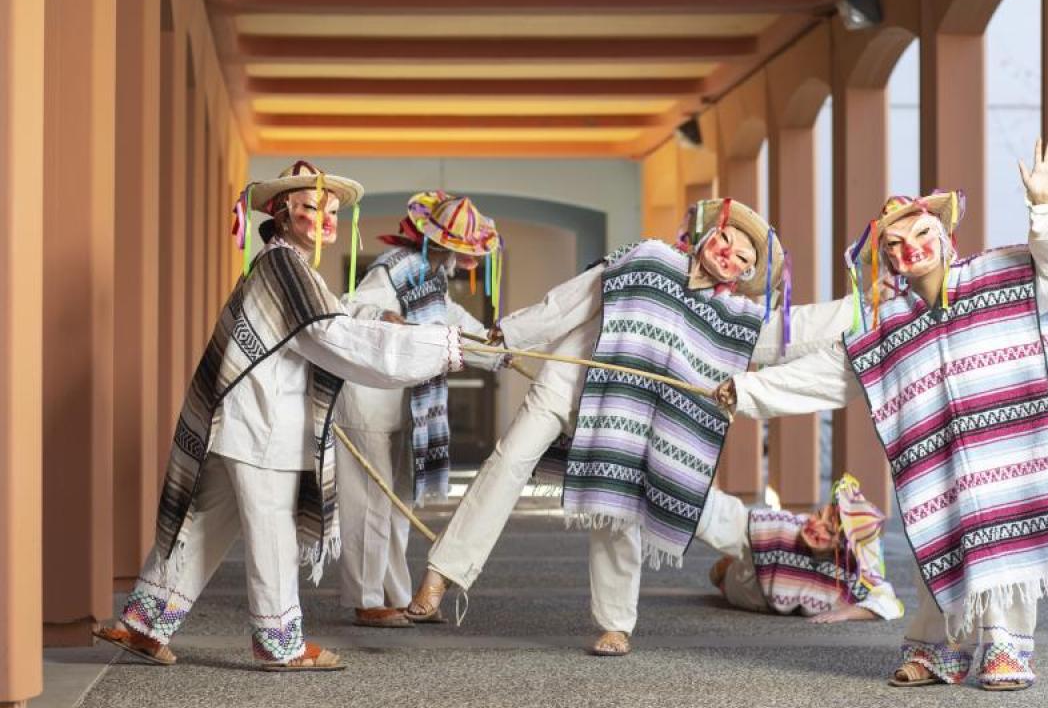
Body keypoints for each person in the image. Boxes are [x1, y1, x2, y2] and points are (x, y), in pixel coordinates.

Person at [412, 198, 856, 657]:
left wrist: (862, 309)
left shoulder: (730, 319)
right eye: (727, 239)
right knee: (506, 463)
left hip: (625, 415)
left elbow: (791, 331)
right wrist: (513, 332)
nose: (729, 254)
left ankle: (616, 624)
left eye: (744, 257)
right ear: (710, 234)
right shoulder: (649, 257)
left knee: (616, 508)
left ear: (744, 275)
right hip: (568, 382)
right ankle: (439, 578)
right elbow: (576, 297)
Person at [714, 138, 1048, 691]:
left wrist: (1047, 208)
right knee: (939, 530)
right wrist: (744, 391)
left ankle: (1006, 645)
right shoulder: (882, 327)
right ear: (883, 257)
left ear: (944, 235)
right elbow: (829, 374)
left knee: (1006, 529)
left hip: (1010, 439)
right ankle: (942, 647)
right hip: (936, 454)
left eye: (921, 234)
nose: (911, 248)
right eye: (894, 244)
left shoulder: (1004, 275)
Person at [92, 161, 466, 671]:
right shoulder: (286, 266)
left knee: (205, 525)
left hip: (240, 420)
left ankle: (144, 624)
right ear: (282, 213)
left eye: (331, 211)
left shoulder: (283, 263)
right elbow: (336, 340)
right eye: (311, 208)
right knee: (273, 532)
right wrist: (438, 347)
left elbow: (331, 328)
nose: (325, 220)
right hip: (263, 426)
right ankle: (277, 642)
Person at [334, 192, 506, 628]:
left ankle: (394, 593)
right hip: (369, 401)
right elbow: (352, 307)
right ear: (437, 242)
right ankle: (367, 598)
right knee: (370, 503)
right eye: (464, 251)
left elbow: (452, 320)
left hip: (404, 404)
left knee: (397, 506)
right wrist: (386, 319)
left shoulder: (431, 275)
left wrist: (497, 345)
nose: (467, 261)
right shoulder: (395, 266)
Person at [706, 474, 903, 623]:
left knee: (724, 579)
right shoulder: (789, 526)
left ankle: (727, 569)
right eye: (819, 514)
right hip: (757, 570)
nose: (815, 525)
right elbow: (734, 519)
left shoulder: (851, 577)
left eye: (829, 531)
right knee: (725, 569)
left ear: (843, 553)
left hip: (760, 600)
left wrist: (845, 613)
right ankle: (730, 565)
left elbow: (890, 604)